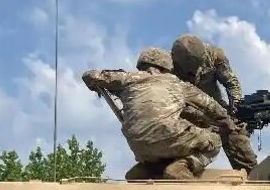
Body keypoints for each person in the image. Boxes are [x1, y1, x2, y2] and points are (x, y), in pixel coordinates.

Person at [81, 47, 223, 180]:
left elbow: (89, 75)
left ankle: (151, 168)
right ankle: (184, 166)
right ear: (166, 66)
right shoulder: (177, 83)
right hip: (170, 135)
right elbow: (211, 106)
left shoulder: (126, 78)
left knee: (160, 142)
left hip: (137, 145)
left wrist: (97, 83)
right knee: (215, 141)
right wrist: (227, 120)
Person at [170, 35, 258, 173]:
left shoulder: (215, 55)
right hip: (185, 112)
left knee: (236, 133)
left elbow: (231, 84)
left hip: (216, 108)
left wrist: (236, 110)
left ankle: (251, 177)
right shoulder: (168, 65)